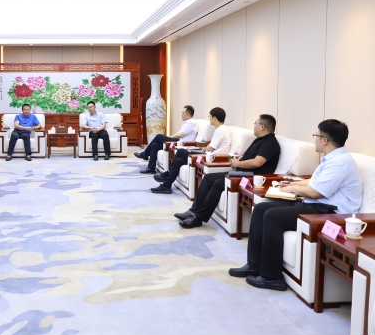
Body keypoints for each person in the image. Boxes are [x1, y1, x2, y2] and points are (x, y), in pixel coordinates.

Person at [229, 119, 362, 291]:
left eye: (316, 135)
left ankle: (272, 277)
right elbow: (314, 181)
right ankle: (254, 265)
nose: (314, 139)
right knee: (261, 208)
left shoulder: (340, 163)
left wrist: (291, 189)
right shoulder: (332, 159)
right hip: (317, 206)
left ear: (325, 140)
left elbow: (315, 192)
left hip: (330, 213)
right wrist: (291, 184)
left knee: (272, 216)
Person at [176, 114, 281, 229]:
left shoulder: (270, 143)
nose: (254, 126)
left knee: (218, 183)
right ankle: (193, 210)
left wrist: (238, 164)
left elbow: (257, 163)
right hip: (241, 172)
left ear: (262, 127)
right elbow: (248, 156)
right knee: (208, 178)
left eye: (255, 123)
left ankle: (198, 218)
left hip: (252, 178)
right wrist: (238, 160)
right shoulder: (259, 140)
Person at [151, 107, 230, 194]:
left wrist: (204, 149)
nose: (209, 118)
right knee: (178, 160)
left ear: (214, 118)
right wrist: (204, 149)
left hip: (211, 158)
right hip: (209, 155)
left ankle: (167, 174)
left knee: (181, 151)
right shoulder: (221, 129)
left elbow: (211, 147)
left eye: (210, 116)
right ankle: (166, 186)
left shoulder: (220, 130)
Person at [135, 105, 198, 174]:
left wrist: (170, 137)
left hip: (181, 144)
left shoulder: (190, 123)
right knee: (155, 145)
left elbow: (180, 135)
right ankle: (151, 168)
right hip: (178, 142)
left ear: (188, 115)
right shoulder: (188, 122)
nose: (181, 114)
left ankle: (144, 154)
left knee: (159, 136)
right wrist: (170, 137)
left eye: (183, 113)